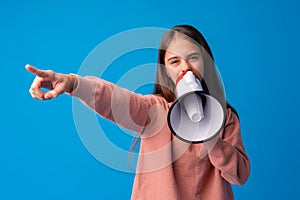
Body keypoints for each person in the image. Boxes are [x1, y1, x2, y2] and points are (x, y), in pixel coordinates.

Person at [26, 25, 250, 200]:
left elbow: (239, 175)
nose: (185, 67)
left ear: (206, 62)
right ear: (165, 71)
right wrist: (74, 83)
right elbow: (117, 100)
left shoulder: (226, 117)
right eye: (174, 61)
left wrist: (211, 138)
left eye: (193, 57)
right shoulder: (154, 111)